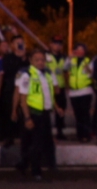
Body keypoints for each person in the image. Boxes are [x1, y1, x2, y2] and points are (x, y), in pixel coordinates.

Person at [15, 49, 62, 180]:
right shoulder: (27, 75)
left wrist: (56, 106)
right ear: (31, 60)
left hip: (45, 112)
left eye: (42, 60)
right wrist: (27, 118)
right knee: (37, 144)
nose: (41, 62)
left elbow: (49, 94)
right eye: (37, 60)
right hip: (34, 113)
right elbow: (23, 99)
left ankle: (44, 165)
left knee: (47, 142)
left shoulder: (47, 74)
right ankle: (36, 171)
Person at [0, 35, 30, 147]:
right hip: (10, 89)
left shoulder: (27, 58)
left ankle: (23, 136)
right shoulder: (7, 58)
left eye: (21, 42)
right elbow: (10, 71)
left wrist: (24, 58)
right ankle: (9, 137)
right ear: (12, 45)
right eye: (17, 43)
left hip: (24, 90)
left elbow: (29, 71)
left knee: (23, 113)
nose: (19, 45)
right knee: (9, 113)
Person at [64, 43, 93, 143]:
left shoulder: (89, 61)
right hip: (74, 92)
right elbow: (65, 68)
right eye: (78, 49)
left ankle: (86, 135)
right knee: (78, 115)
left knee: (85, 114)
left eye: (82, 49)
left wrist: (90, 70)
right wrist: (69, 58)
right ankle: (80, 135)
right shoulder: (72, 61)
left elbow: (93, 74)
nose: (80, 52)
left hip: (85, 91)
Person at [46, 36, 67, 140]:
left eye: (59, 44)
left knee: (61, 109)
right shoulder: (46, 57)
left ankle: (60, 131)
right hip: (49, 87)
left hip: (61, 87)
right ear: (50, 44)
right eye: (55, 43)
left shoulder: (64, 57)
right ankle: (46, 132)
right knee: (47, 110)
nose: (57, 46)